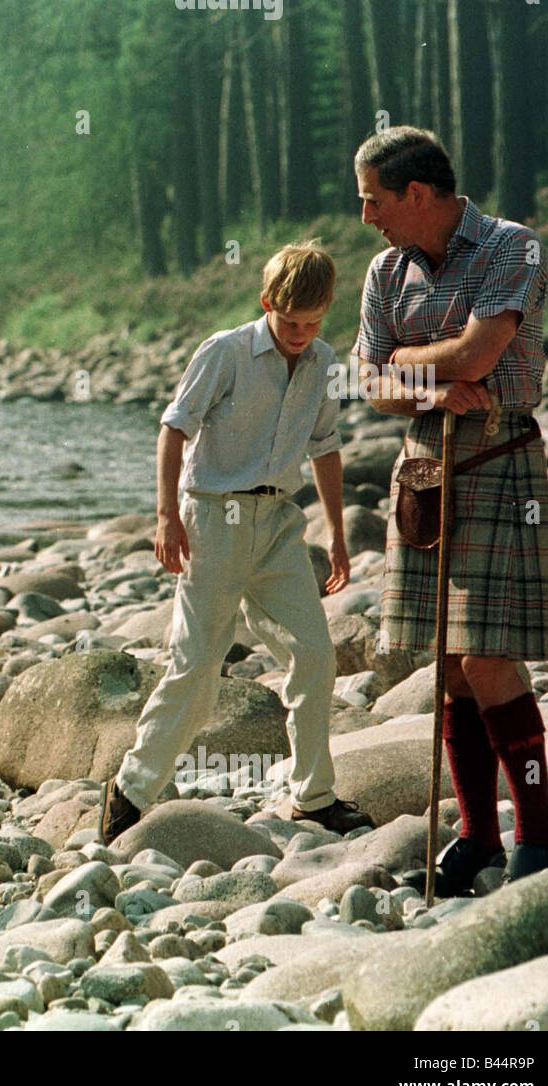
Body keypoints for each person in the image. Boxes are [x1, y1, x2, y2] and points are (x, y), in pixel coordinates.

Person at [352, 125, 548, 893]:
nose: (367, 216)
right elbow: (367, 383)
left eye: (373, 200)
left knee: (488, 655)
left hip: (499, 454)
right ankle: (478, 836)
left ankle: (539, 841)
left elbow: (481, 355)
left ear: (417, 193)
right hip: (424, 467)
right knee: (447, 662)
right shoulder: (385, 271)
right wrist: (430, 382)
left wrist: (407, 359)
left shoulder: (514, 246)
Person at [102, 242, 374, 845]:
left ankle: (314, 798)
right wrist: (166, 514)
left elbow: (325, 446)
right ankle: (130, 790)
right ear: (267, 303)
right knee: (197, 664)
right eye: (291, 322)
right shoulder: (224, 352)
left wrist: (338, 535)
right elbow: (174, 427)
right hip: (212, 519)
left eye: (314, 322)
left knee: (315, 654)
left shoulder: (324, 360)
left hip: (278, 524)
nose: (302, 334)